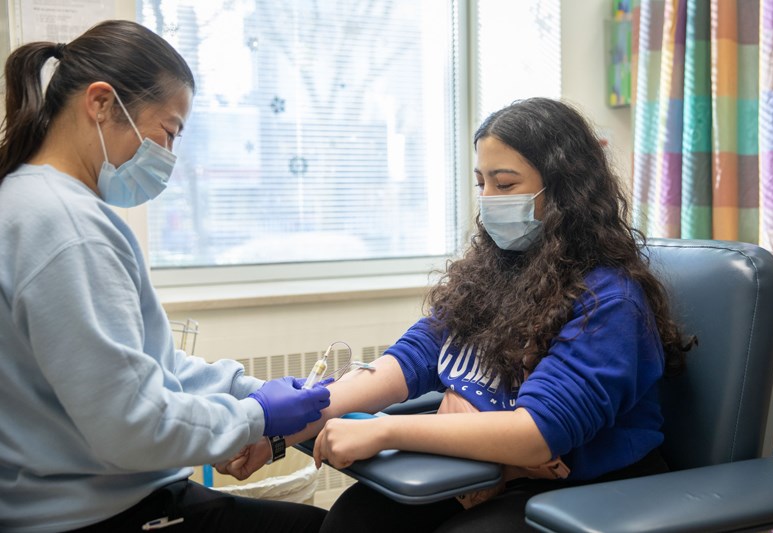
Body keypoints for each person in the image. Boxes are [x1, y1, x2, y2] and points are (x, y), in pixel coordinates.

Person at [216, 97, 694, 532]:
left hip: (582, 487)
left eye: (505, 184)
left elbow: (538, 433)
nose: (487, 199)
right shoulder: (495, 273)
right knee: (353, 521)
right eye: (481, 182)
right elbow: (412, 359)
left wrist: (385, 428)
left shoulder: (608, 302)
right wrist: (283, 429)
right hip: (484, 466)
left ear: (565, 190)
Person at [0, 20, 330, 533]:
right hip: (100, 514)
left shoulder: (28, 200)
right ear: (102, 103)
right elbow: (133, 423)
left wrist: (246, 390)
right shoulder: (68, 227)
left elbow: (137, 363)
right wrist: (256, 417)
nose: (169, 157)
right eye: (168, 132)